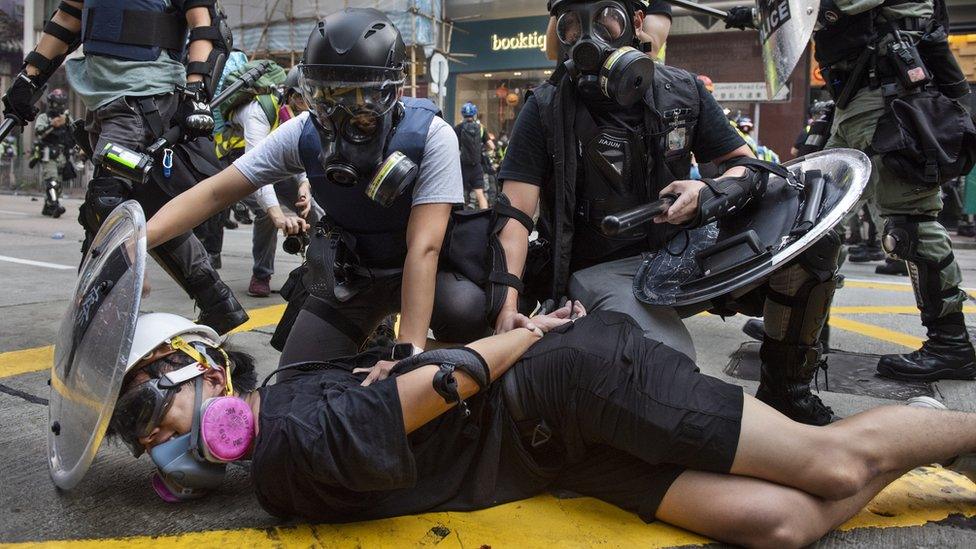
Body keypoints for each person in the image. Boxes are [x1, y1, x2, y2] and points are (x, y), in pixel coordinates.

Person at [108, 303, 976, 548]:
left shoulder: (287, 435)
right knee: (783, 523)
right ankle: (918, 435)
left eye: (149, 409)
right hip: (558, 456)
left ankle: (944, 427)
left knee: (828, 463)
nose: (152, 440)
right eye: (137, 438)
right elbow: (418, 376)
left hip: (572, 387)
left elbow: (441, 383)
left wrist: (521, 338)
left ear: (202, 365)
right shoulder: (288, 421)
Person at [495, 0, 843, 425]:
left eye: (606, 17)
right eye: (570, 25)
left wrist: (709, 190)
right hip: (602, 269)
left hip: (683, 253)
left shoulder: (684, 90)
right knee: (668, 373)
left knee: (813, 239)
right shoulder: (545, 106)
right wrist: (507, 305)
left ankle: (785, 388)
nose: (587, 35)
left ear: (635, 22)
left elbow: (749, 166)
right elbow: (515, 215)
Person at [144, 9, 488, 371]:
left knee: (465, 314)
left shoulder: (432, 136)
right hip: (354, 276)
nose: (340, 114)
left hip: (427, 273)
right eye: (325, 98)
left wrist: (409, 354)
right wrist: (140, 239)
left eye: (359, 100)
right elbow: (216, 192)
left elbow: (425, 248)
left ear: (393, 93)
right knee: (295, 378)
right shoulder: (302, 133)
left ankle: (448, 362)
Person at [730, 0, 976, 381]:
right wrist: (759, 16)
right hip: (858, 97)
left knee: (908, 223)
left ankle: (951, 343)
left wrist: (768, 13)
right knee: (817, 218)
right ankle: (805, 326)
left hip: (887, 93)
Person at [1, 0, 248, 334]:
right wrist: (29, 78)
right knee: (152, 208)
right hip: (102, 97)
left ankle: (96, 325)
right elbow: (68, 19)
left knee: (104, 205)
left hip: (143, 98)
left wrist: (195, 91)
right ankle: (217, 303)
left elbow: (207, 27)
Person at [218, 61, 321, 297]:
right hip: (239, 163)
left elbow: (303, 154)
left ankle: (321, 266)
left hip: (277, 164)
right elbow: (257, 174)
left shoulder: (299, 116)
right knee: (266, 213)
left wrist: (305, 186)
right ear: (293, 95)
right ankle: (261, 275)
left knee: (315, 209)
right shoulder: (258, 112)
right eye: (307, 98)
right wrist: (278, 215)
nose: (313, 105)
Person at [32, 88, 73, 218]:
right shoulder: (44, 117)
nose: (59, 106)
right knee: (52, 181)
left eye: (61, 104)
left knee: (59, 185)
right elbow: (39, 133)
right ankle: (55, 206)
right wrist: (52, 125)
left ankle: (47, 206)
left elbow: (75, 134)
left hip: (63, 155)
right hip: (48, 154)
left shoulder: (67, 118)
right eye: (56, 103)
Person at [454, 102, 492, 210]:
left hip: (463, 167)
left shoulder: (459, 128)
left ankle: (459, 219)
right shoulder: (480, 128)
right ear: (474, 114)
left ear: (463, 114)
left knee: (459, 194)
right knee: (480, 194)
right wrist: (482, 149)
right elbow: (491, 146)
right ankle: (484, 217)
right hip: (477, 166)